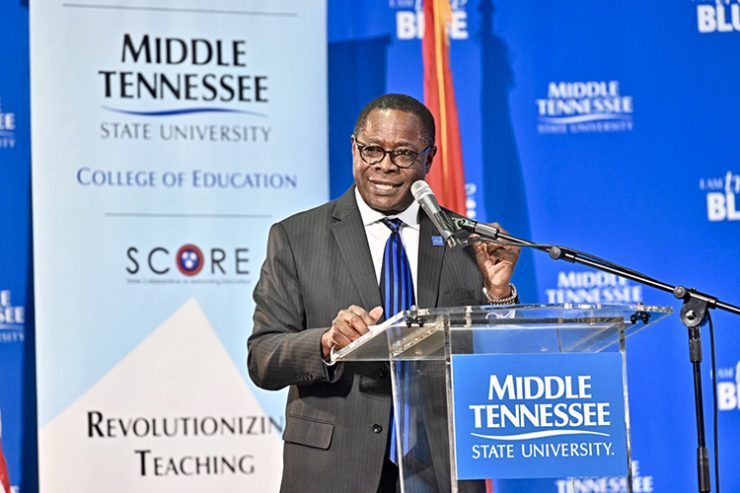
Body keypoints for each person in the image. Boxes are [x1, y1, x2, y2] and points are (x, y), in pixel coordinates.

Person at [248, 94, 520, 493]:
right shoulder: (296, 237)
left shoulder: (465, 241)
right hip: (332, 470)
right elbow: (262, 357)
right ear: (354, 148)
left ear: (429, 158)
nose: (385, 165)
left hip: (440, 469)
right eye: (372, 149)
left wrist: (497, 293)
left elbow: (498, 371)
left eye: (404, 153)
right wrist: (325, 343)